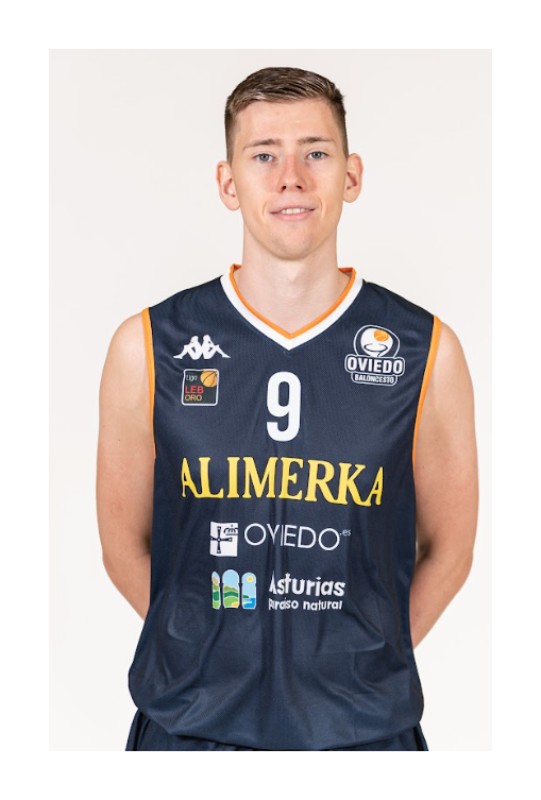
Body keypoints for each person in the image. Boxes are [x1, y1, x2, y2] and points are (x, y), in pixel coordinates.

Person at [96, 66, 478, 751]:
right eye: (264, 155)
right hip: (190, 732)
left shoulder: (426, 350)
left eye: (316, 153)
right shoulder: (148, 346)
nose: (291, 178)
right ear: (228, 183)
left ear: (351, 176)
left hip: (361, 735)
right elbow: (123, 544)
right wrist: (208, 646)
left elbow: (450, 548)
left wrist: (363, 660)